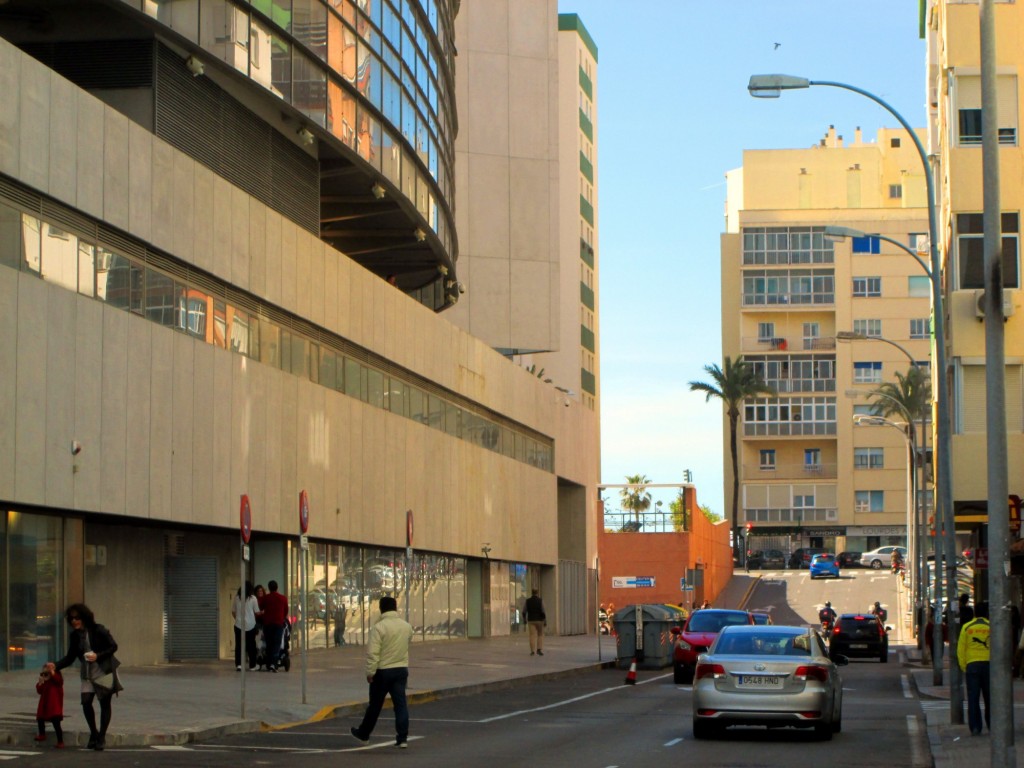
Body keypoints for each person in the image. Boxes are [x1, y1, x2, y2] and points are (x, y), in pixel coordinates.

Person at [53, 603, 120, 751]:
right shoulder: (75, 636)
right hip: (87, 672)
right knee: (86, 702)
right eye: (71, 618)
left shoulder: (98, 629)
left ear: (84, 617)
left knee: (104, 703)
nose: (74, 621)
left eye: (77, 618)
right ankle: (94, 733)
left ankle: (101, 737)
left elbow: (113, 646)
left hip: (103, 670)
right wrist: (55, 666)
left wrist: (98, 655)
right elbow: (70, 657)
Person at [350, 596, 414, 748]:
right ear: (395, 608)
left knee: (375, 705)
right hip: (400, 670)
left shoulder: (379, 628)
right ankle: (402, 738)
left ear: (381, 609)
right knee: (400, 705)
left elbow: (373, 653)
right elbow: (407, 643)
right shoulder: (406, 627)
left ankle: (364, 733)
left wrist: (370, 672)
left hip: (383, 672)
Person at [957, 600, 991, 736]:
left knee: (973, 697)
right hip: (989, 665)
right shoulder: (991, 626)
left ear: (975, 613)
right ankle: (992, 724)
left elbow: (961, 649)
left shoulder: (966, 627)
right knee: (990, 697)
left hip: (972, 665)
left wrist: (964, 666)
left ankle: (975, 727)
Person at [258, 580, 289, 672]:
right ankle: (274, 664)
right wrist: (281, 618)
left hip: (267, 624)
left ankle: (269, 661)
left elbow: (261, 607)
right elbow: (286, 611)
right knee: (277, 643)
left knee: (269, 643)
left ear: (269, 588)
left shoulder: (266, 598)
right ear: (277, 587)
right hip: (278, 624)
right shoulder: (283, 598)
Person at [34, 662, 64, 748]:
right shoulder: (46, 682)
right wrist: (40, 682)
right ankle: (42, 734)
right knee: (40, 718)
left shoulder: (56, 680)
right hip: (44, 703)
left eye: (47, 673)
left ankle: (60, 741)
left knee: (56, 723)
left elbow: (59, 681)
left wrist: (52, 672)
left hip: (54, 704)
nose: (46, 675)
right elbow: (39, 691)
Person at [232, 581, 259, 671]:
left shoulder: (237, 598)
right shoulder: (253, 598)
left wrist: (238, 619)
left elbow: (233, 611)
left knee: (239, 645)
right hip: (251, 625)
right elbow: (257, 612)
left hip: (238, 625)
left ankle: (239, 665)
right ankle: (252, 665)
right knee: (251, 646)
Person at [524, 589, 546, 656]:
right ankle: (539, 649)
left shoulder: (527, 601)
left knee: (532, 635)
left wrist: (524, 619)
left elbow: (524, 611)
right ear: (537, 593)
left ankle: (532, 651)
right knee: (540, 635)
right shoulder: (540, 601)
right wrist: (544, 620)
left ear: (532, 593)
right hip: (539, 620)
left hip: (531, 620)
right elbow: (543, 611)